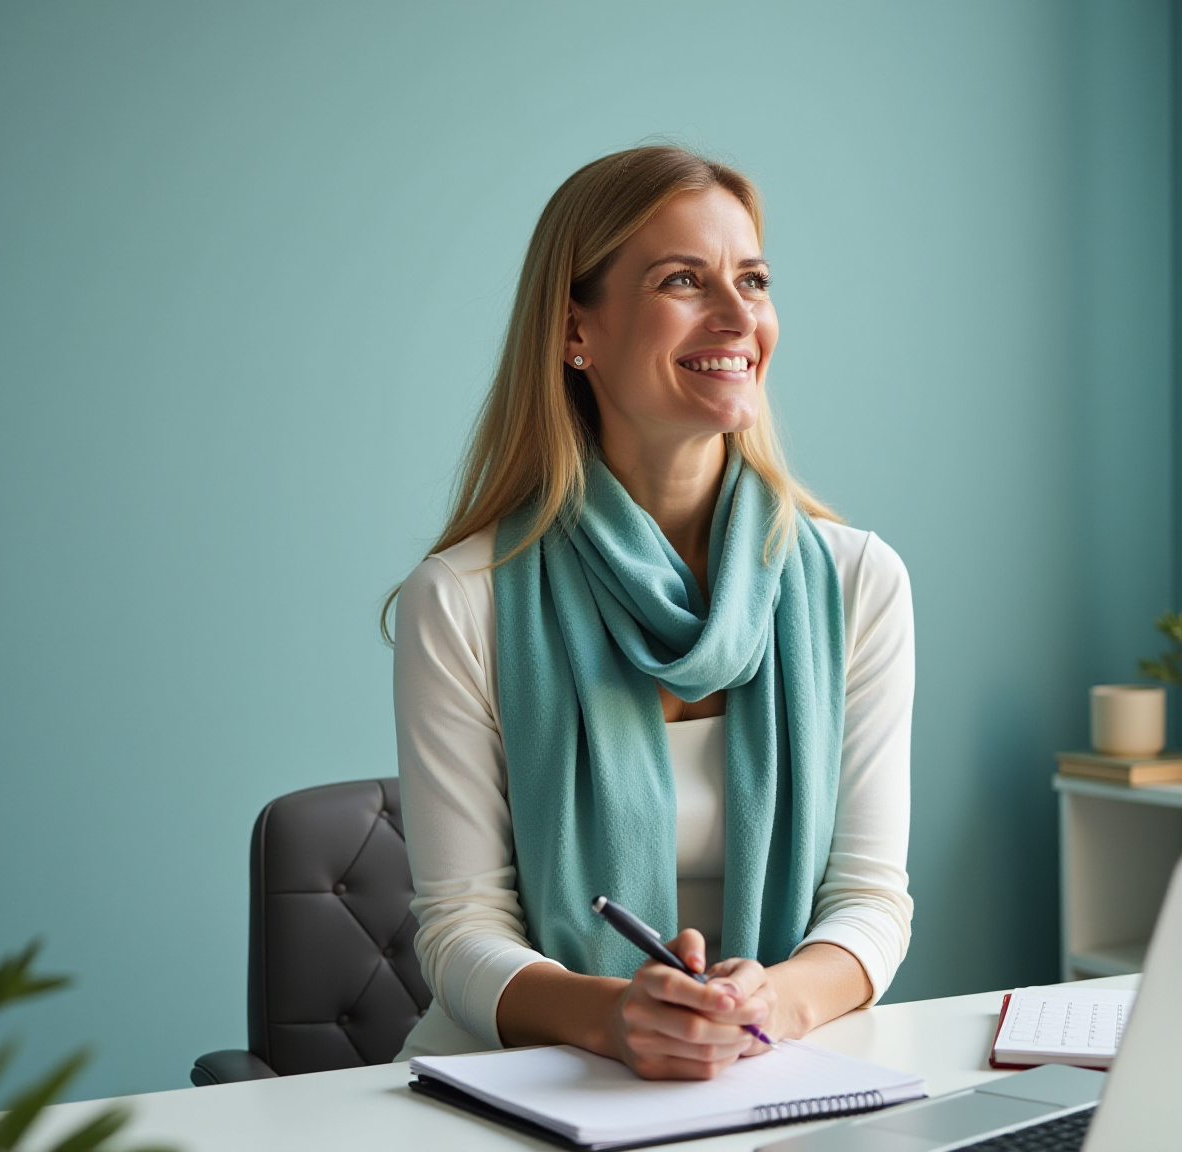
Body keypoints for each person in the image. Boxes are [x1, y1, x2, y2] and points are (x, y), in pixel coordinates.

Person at [387, 145, 913, 1081]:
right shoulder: (461, 600)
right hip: (529, 1083)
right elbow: (461, 931)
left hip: (774, 1071)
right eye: (684, 280)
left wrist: (773, 1003)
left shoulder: (857, 581)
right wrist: (613, 1017)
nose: (739, 316)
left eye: (752, 280)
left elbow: (871, 902)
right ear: (572, 331)